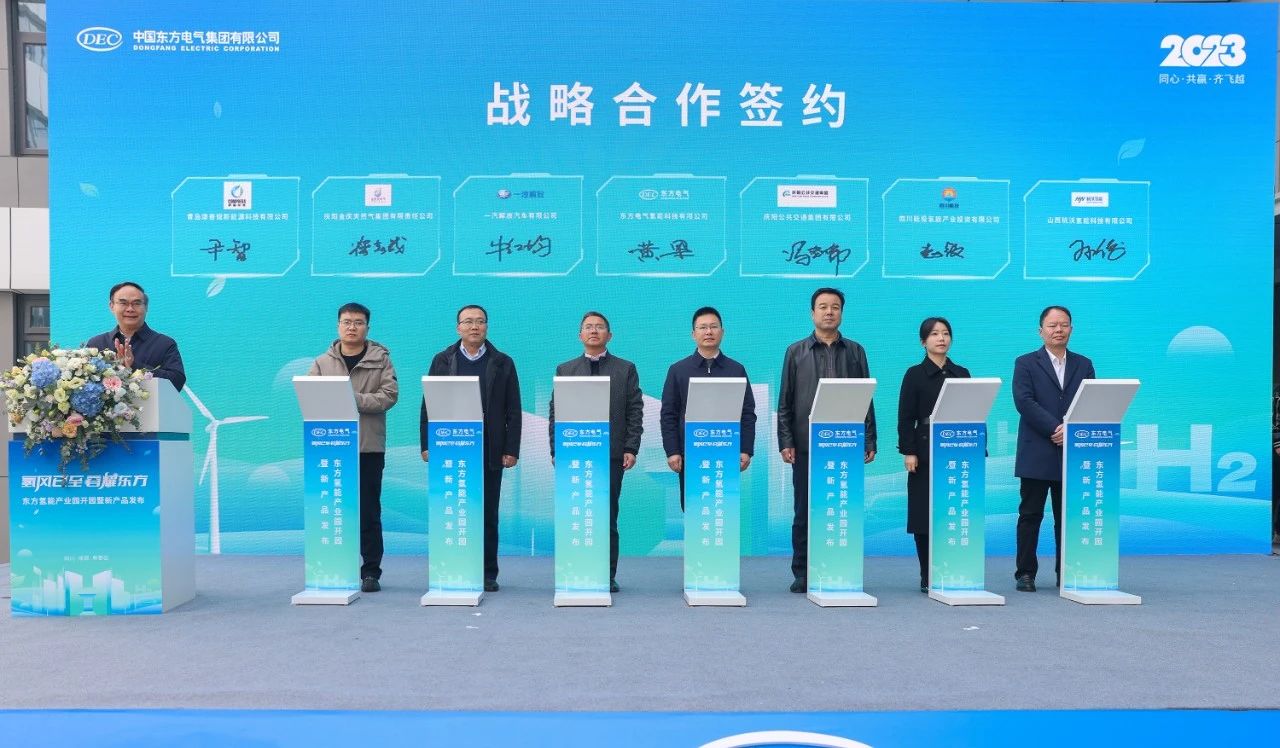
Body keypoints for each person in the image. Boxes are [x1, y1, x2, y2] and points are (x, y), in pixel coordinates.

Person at [778, 287, 877, 593]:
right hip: (807, 444)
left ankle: (840, 565)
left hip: (846, 443)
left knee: (842, 506)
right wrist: (786, 441)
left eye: (835, 307)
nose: (829, 312)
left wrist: (869, 439)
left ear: (841, 313)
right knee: (805, 510)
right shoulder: (796, 352)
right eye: (823, 307)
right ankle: (803, 572)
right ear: (812, 313)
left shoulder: (856, 351)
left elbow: (866, 397)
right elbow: (785, 401)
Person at [420, 305, 521, 592]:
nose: (474, 327)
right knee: (453, 509)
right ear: (458, 328)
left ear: (487, 327)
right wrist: (427, 444)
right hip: (451, 447)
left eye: (480, 322)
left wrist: (511, 448)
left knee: (487, 513)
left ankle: (488, 573)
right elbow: (428, 404)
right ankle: (453, 567)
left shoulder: (502, 362)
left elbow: (513, 409)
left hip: (490, 448)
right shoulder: (442, 360)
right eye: (468, 322)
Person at [548, 311, 644, 593]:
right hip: (574, 455)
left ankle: (606, 574)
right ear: (580, 335)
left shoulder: (625, 369)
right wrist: (556, 449)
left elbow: (635, 410)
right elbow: (556, 413)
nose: (594, 331)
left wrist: (631, 447)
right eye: (588, 327)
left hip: (611, 455)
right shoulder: (565, 370)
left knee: (606, 515)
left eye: (600, 327)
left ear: (609, 335)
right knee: (575, 512)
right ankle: (575, 569)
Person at [307, 303, 399, 593]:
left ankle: (370, 571)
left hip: (368, 446)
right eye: (347, 322)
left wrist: (350, 398)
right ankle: (336, 565)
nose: (352, 327)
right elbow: (311, 397)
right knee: (335, 508)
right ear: (338, 326)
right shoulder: (321, 363)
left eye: (358, 322)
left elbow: (389, 396)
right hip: (331, 447)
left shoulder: (381, 360)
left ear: (367, 328)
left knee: (368, 511)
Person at [1012, 305, 1095, 592]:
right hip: (1037, 451)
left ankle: (1067, 572)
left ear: (1072, 328)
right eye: (1052, 325)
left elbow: (1090, 401)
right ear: (1041, 331)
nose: (1058, 330)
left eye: (1064, 324)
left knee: (1067, 517)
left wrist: (1070, 430)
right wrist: (1056, 428)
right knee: (1030, 515)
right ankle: (1025, 573)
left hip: (1072, 454)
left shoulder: (1084, 364)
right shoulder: (1025, 363)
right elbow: (1024, 401)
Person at [897, 317, 970, 593]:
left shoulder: (961, 373)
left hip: (958, 451)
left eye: (946, 333)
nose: (941, 338)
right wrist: (909, 451)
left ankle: (956, 568)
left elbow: (973, 412)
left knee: (954, 510)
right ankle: (928, 573)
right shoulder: (914, 374)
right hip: (925, 452)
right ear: (923, 341)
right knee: (924, 513)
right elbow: (906, 417)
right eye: (935, 334)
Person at [660, 306, 757, 511]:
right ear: (693, 334)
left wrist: (746, 449)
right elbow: (668, 415)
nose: (709, 332)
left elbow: (747, 413)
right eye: (702, 327)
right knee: (695, 510)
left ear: (722, 332)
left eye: (714, 327)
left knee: (724, 512)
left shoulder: (736, 369)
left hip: (727, 454)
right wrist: (673, 451)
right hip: (690, 455)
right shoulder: (678, 370)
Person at [84, 281, 186, 390]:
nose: (130, 309)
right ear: (112, 306)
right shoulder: (96, 344)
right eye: (123, 303)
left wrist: (134, 365)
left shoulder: (165, 344)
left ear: (146, 307)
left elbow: (177, 382)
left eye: (137, 303)